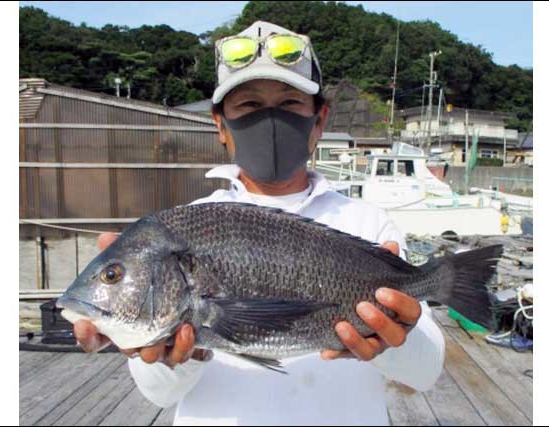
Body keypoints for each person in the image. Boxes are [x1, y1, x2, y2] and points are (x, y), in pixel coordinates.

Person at [74, 21, 444, 426]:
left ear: (318, 121)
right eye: (249, 106)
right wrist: (179, 356)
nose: (270, 120)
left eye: (289, 105)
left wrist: (396, 341)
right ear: (220, 125)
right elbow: (158, 393)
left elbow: (426, 372)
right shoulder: (185, 225)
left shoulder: (369, 224)